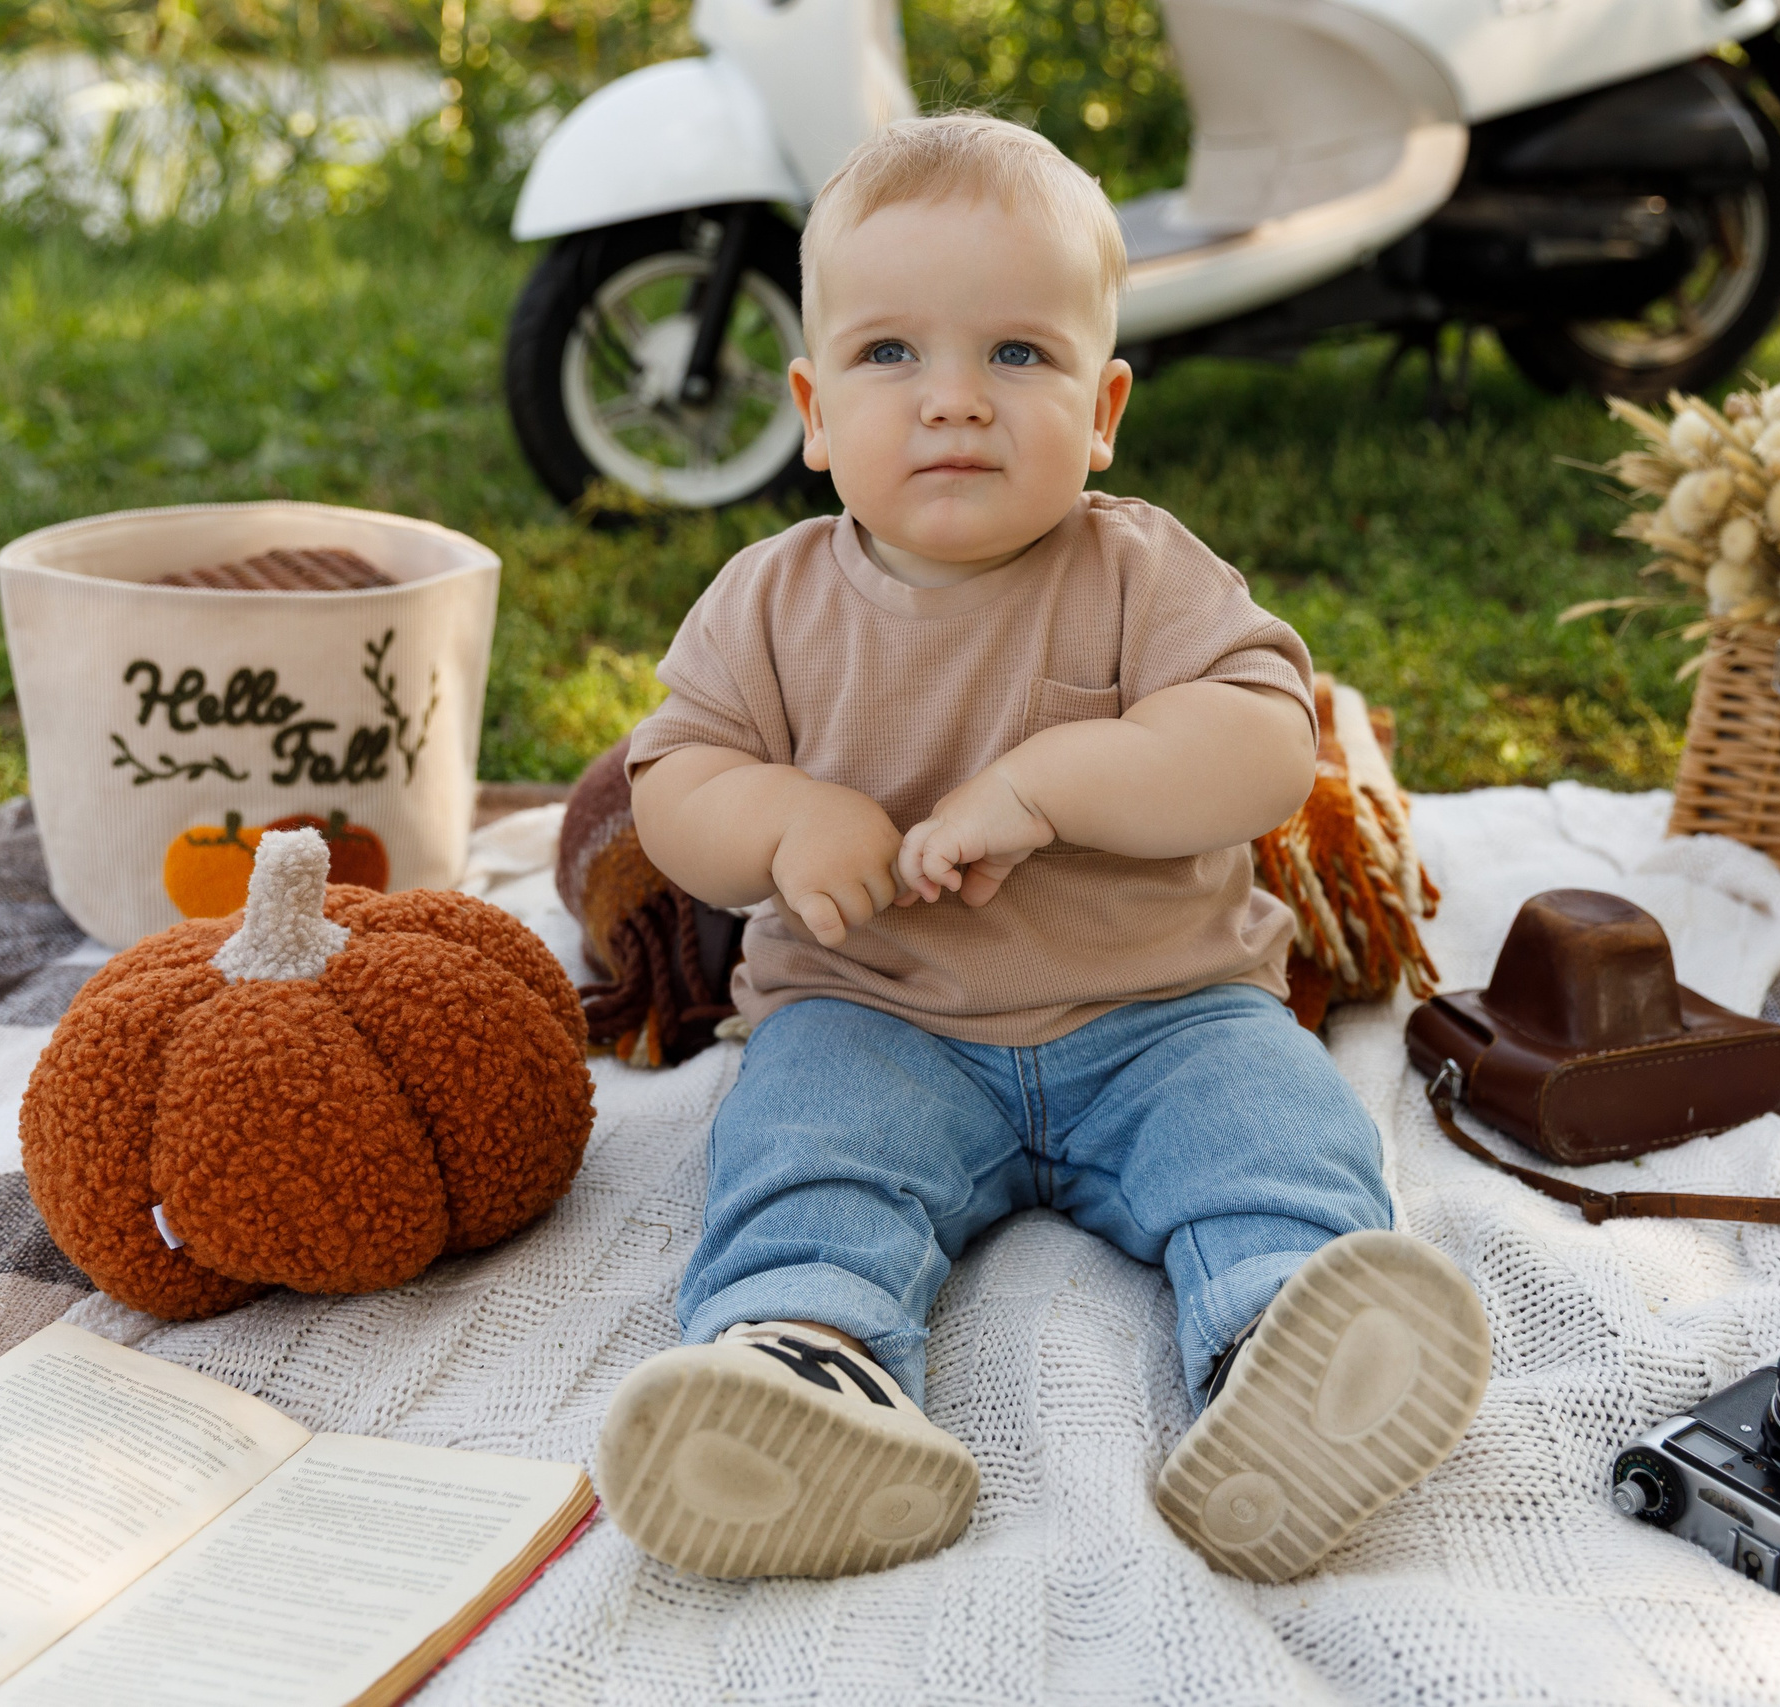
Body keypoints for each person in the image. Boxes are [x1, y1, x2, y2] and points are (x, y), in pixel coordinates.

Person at [594, 113, 1491, 1585]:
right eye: (893, 356)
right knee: (804, 1159)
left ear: (1104, 408)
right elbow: (675, 784)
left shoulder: (1142, 571)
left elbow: (1269, 745)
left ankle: (1285, 1351)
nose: (955, 402)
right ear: (813, 411)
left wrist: (1059, 782)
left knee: (1272, 1133)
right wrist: (782, 820)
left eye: (1018, 356)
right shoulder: (767, 603)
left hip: (1160, 1011)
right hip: (874, 1013)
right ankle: (809, 1373)